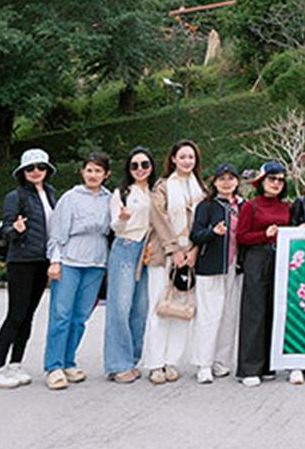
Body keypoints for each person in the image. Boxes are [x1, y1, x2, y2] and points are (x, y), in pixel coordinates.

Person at [0, 149, 57, 389]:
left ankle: (15, 364)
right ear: (22, 172)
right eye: (30, 168)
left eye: (41, 167)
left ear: (47, 170)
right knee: (16, 315)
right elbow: (4, 230)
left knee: (28, 316)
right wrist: (15, 229)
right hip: (21, 262)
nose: (36, 171)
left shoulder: (50, 194)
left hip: (42, 261)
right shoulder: (14, 197)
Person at [41, 152, 111, 390]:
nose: (93, 175)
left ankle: (68, 361)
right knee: (61, 315)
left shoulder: (110, 199)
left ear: (106, 174)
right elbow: (57, 232)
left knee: (80, 317)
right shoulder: (70, 198)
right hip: (70, 261)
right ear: (82, 172)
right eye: (89, 170)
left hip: (96, 263)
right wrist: (55, 261)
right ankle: (53, 366)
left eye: (98, 171)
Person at [143, 140, 205, 385]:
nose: (187, 161)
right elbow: (158, 219)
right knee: (160, 305)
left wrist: (194, 251)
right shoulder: (162, 187)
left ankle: (172, 361)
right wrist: (174, 249)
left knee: (181, 308)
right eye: (183, 156)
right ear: (173, 159)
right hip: (165, 254)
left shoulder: (201, 188)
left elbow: (203, 221)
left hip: (191, 255)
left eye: (191, 157)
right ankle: (155, 363)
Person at [101, 148, 156, 384]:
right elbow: (115, 227)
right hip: (125, 246)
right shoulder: (122, 192)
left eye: (144, 164)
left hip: (148, 250)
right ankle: (117, 364)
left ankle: (132, 359)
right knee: (120, 307)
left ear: (151, 166)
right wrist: (122, 219)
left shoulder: (156, 191)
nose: (140, 169)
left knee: (140, 308)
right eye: (135, 165)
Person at [236, 161, 292, 387]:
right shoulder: (251, 206)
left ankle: (268, 364)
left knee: (274, 310)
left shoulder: (286, 207)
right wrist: (264, 235)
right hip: (257, 258)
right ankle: (250, 368)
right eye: (272, 179)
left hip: (280, 258)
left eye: (280, 180)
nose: (276, 183)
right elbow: (241, 236)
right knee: (254, 312)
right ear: (261, 181)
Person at [189, 163, 244, 384]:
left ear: (237, 182)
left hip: (234, 267)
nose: (226, 183)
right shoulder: (207, 205)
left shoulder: (243, 205)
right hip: (210, 266)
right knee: (209, 316)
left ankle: (222, 361)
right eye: (222, 179)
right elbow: (196, 234)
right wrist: (213, 232)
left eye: (231, 178)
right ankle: (204, 364)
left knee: (229, 316)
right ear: (215, 182)